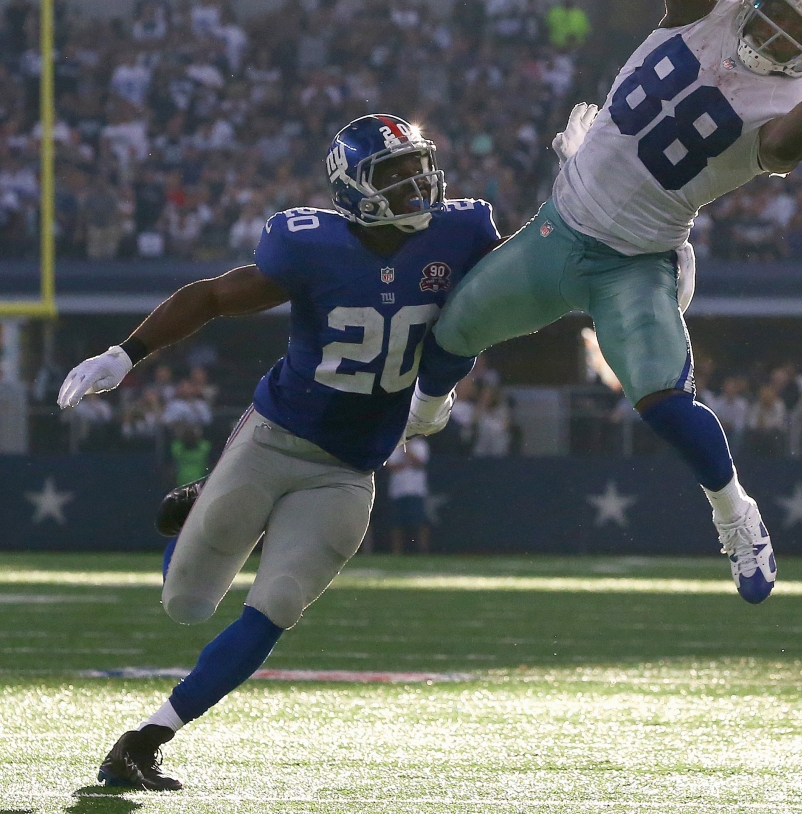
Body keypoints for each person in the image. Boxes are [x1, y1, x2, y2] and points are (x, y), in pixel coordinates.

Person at [414, 0, 802, 605]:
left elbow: (782, 149)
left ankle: (736, 513)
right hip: (562, 224)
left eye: (794, 36)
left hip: (636, 259)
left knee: (661, 398)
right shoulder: (710, 2)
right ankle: (425, 406)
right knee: (451, 331)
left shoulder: (799, 99)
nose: (772, 34)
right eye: (773, 13)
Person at [57, 114, 499, 791]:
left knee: (279, 603)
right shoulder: (309, 245)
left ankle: (144, 740)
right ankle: (205, 498)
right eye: (395, 173)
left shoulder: (462, 231)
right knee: (187, 603)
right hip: (274, 436)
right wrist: (126, 353)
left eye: (418, 165)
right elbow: (210, 296)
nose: (416, 183)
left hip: (351, 468)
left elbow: (520, 286)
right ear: (354, 190)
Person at [386, 437, 431, 554]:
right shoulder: (394, 445)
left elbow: (419, 463)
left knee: (420, 522)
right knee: (397, 523)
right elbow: (391, 465)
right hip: (398, 490)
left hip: (416, 490)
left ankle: (422, 550)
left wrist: (408, 450)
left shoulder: (421, 445)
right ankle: (397, 551)